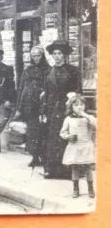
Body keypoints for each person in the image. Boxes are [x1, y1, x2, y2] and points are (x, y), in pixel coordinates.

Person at [42, 39, 82, 179]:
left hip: (67, 109)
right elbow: (46, 93)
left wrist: (73, 105)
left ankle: (69, 171)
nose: (57, 56)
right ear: (52, 56)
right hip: (52, 109)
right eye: (54, 53)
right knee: (53, 139)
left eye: (59, 53)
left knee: (67, 138)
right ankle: (51, 170)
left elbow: (77, 91)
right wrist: (44, 111)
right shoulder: (49, 72)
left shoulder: (72, 70)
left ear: (64, 55)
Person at [14, 46, 50, 167]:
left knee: (43, 132)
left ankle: (44, 156)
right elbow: (21, 88)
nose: (36, 58)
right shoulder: (27, 70)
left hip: (42, 105)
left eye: (38, 56)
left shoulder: (48, 69)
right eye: (34, 56)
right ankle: (35, 157)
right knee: (32, 133)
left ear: (42, 56)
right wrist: (19, 107)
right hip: (29, 106)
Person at [60, 93, 96, 198]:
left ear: (85, 106)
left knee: (87, 168)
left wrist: (86, 115)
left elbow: (96, 125)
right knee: (75, 168)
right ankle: (76, 189)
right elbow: (62, 132)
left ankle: (90, 188)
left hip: (86, 146)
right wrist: (67, 136)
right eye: (76, 105)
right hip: (74, 146)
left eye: (82, 105)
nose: (79, 107)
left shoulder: (88, 118)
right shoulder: (68, 119)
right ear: (71, 107)